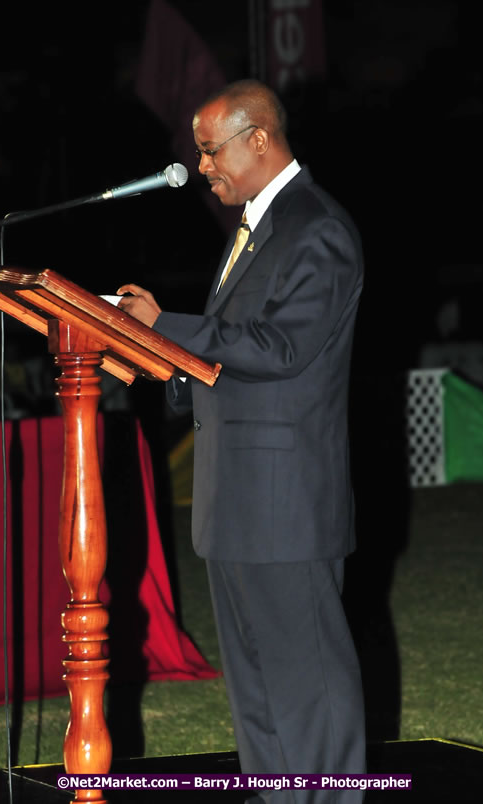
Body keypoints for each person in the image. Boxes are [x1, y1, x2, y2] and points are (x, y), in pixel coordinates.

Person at [118, 79, 366, 802]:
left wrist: (165, 327)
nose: (202, 167)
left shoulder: (317, 227)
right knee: (257, 687)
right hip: (236, 504)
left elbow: (282, 347)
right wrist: (152, 359)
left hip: (287, 507)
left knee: (307, 683)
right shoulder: (254, 228)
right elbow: (229, 359)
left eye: (208, 150)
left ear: (258, 138)